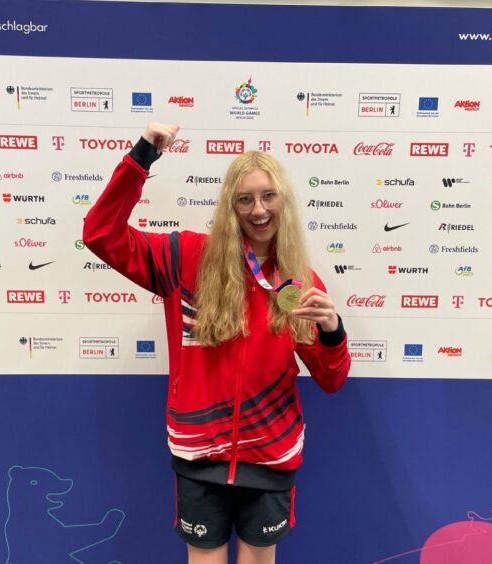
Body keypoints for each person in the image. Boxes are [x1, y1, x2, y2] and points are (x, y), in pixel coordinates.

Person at [83, 122, 350, 564]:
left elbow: (331, 379)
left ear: (284, 202)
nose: (258, 209)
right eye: (244, 199)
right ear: (230, 206)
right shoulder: (186, 259)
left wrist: (332, 331)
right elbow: (101, 234)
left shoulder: (298, 282)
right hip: (199, 451)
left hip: (270, 454)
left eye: (268, 196)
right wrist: (143, 155)